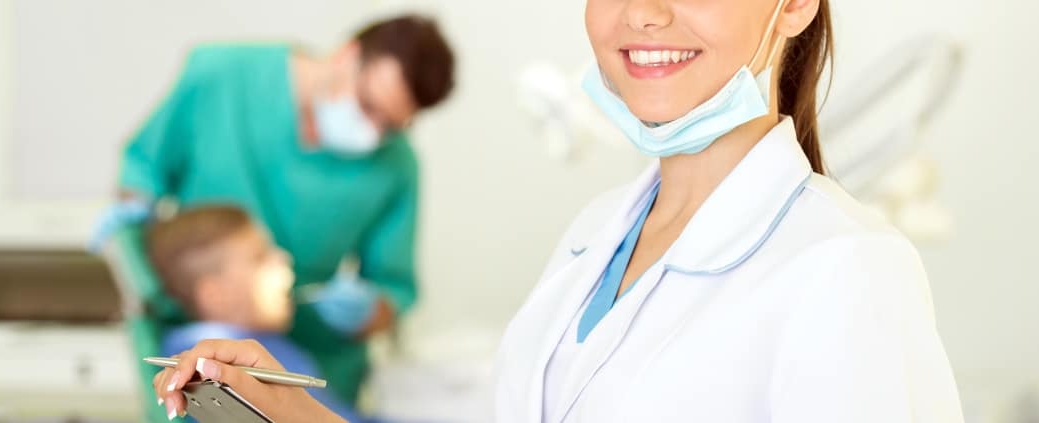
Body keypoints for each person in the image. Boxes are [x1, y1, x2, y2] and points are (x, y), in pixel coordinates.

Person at [149, 0, 966, 421]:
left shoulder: (849, 269)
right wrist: (284, 407)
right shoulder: (593, 237)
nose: (645, 12)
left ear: (794, 5)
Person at [91, 14, 456, 403]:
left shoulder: (397, 166)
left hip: (318, 361)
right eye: (368, 106)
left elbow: (393, 291)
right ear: (347, 56)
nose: (373, 132)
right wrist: (132, 228)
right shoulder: (221, 76)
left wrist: (367, 311)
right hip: (206, 340)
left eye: (392, 126)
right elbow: (143, 171)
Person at [145, 206, 369, 422]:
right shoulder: (203, 355)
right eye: (260, 257)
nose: (284, 259)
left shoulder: (269, 346)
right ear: (216, 294)